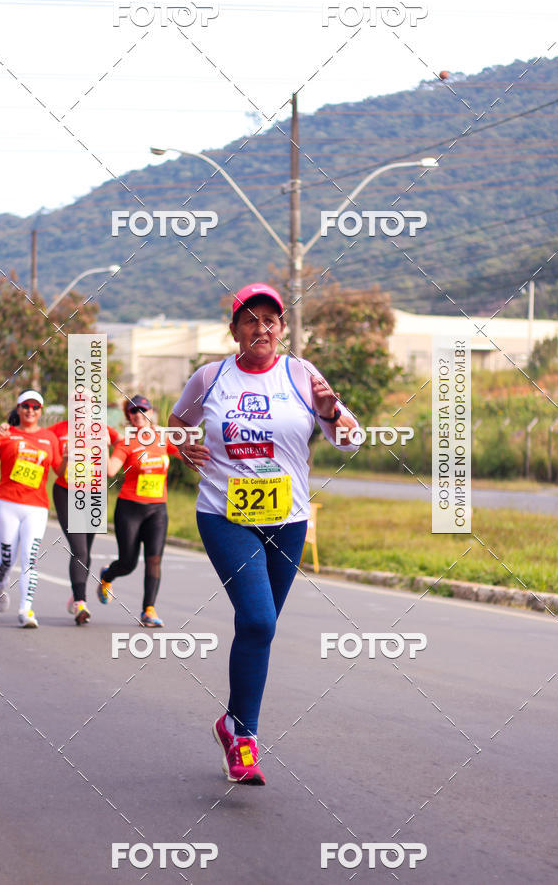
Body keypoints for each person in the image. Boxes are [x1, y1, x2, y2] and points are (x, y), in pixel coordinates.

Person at [167, 283, 359, 785]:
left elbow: (350, 440)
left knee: (262, 626)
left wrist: (332, 410)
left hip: (288, 520)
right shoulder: (210, 378)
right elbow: (177, 423)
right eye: (250, 320)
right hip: (224, 515)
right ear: (234, 331)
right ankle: (246, 739)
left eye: (271, 319)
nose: (262, 328)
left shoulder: (302, 375)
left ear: (282, 328)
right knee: (256, 620)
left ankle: (231, 725)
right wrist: (184, 447)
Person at [0, 390, 66, 628]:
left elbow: (59, 471)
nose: (30, 411)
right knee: (7, 558)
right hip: (7, 503)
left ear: (40, 411)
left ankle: (26, 609)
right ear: (19, 409)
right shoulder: (6, 434)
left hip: (36, 507)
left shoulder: (49, 438)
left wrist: (67, 459)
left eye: (35, 407)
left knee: (29, 558)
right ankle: (1, 582)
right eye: (26, 406)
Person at [98, 394, 180, 627]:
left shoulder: (163, 438)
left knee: (154, 559)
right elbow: (111, 470)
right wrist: (103, 447)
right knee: (128, 562)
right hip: (129, 508)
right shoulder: (126, 442)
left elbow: (185, 454)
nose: (138, 414)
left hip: (157, 510)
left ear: (151, 412)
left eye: (142, 409)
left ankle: (148, 610)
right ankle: (107, 575)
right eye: (133, 411)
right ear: (129, 417)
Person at [47, 415, 119, 625]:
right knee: (79, 549)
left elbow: (127, 441)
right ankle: (80, 601)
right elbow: (32, 433)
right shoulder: (58, 429)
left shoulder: (102, 428)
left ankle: (77, 594)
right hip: (66, 493)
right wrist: (8, 427)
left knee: (86, 550)